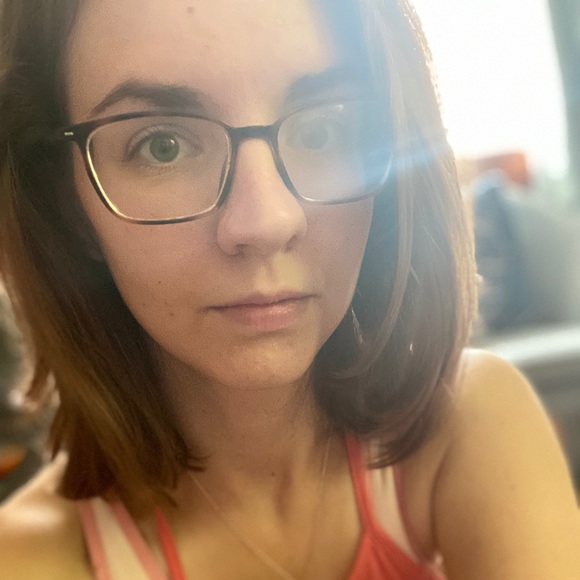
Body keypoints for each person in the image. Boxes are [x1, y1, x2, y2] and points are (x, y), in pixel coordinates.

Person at [0, 0, 578, 578]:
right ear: (68, 205)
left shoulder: (469, 424)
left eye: (322, 130)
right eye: (163, 145)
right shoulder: (28, 559)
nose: (267, 222)